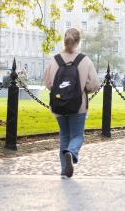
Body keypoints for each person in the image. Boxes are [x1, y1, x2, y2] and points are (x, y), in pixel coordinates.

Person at [43, 27, 99, 178]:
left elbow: (48, 84)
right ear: (79, 41)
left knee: (64, 136)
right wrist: (83, 87)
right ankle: (71, 152)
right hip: (78, 104)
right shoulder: (85, 60)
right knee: (77, 135)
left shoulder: (54, 60)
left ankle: (63, 170)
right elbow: (94, 84)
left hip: (59, 104)